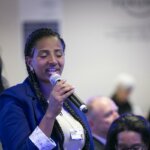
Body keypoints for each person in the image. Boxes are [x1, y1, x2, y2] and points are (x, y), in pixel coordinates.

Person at [0, 28, 94, 150]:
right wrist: (50, 114)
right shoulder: (13, 99)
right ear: (29, 62)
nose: (53, 61)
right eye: (44, 55)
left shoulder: (70, 100)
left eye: (59, 54)